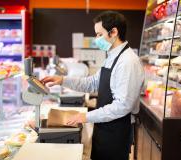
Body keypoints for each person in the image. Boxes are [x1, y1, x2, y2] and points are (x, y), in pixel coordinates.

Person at [41, 11, 144, 160]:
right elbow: (92, 83)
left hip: (116, 131)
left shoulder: (128, 62)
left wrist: (86, 116)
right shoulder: (112, 56)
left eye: (99, 34)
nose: (96, 39)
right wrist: (63, 80)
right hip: (105, 127)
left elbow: (123, 106)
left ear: (114, 32)